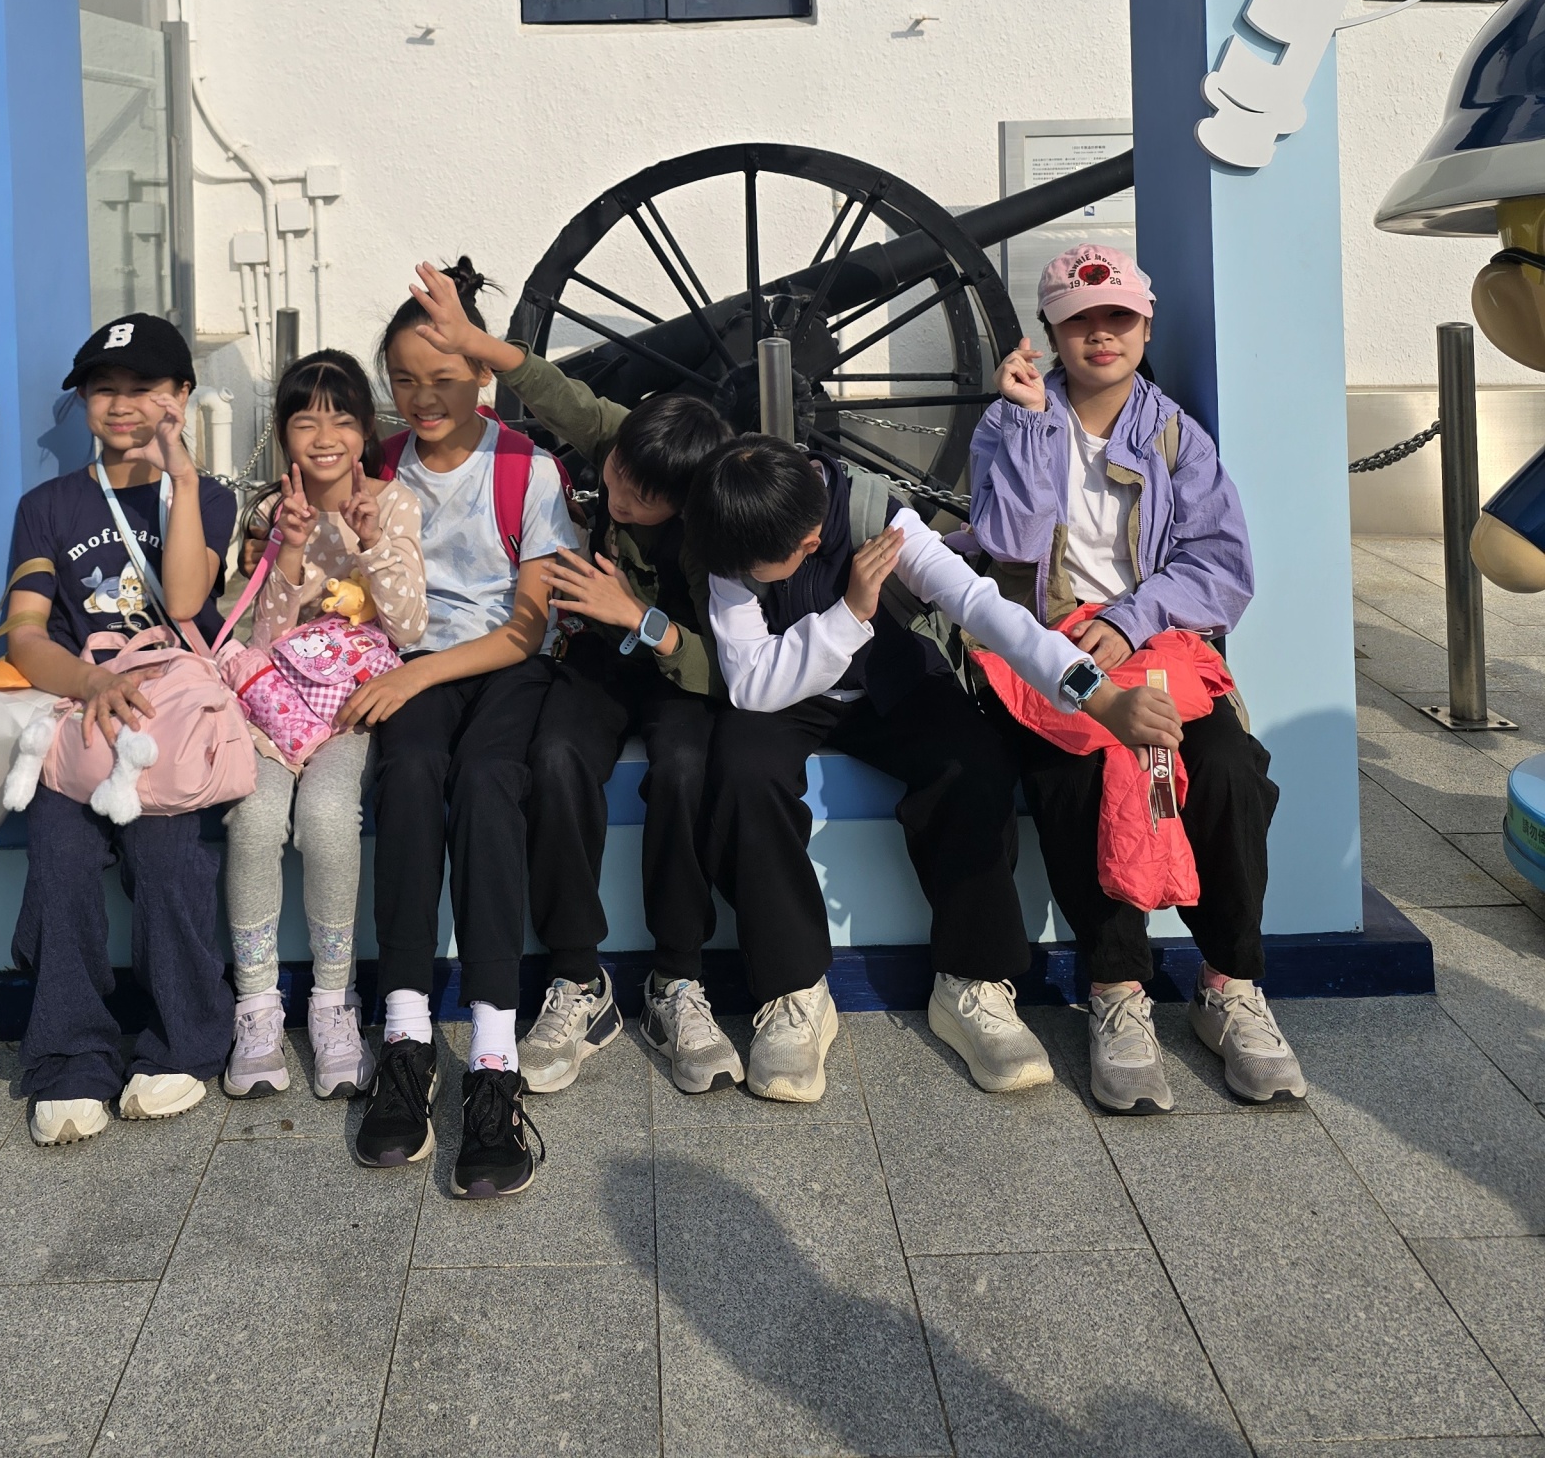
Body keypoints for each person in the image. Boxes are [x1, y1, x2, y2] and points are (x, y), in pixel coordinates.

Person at [686, 433, 1174, 1105]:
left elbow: (983, 607)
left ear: (808, 541)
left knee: (973, 763)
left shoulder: (876, 519)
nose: (739, 577)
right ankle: (792, 989)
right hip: (788, 692)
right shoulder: (735, 530)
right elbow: (751, 683)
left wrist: (1099, 695)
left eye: (753, 570)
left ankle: (973, 981)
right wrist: (849, 613)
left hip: (893, 678)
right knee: (742, 771)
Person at [967, 243, 1305, 1112]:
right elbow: (1008, 544)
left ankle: (1230, 986)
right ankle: (1117, 991)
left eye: (1118, 316)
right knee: (1081, 770)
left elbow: (1222, 566)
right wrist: (1030, 424)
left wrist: (1130, 619)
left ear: (1146, 327)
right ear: (1051, 333)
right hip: (1047, 647)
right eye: (1079, 321)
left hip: (1157, 643)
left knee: (1229, 770)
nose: (1101, 334)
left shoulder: (1175, 433)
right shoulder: (1007, 421)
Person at [403, 259, 741, 1095]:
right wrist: (471, 340)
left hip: (677, 664)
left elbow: (731, 666)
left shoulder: (719, 521)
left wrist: (645, 620)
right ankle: (577, 978)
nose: (617, 495)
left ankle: (678, 978)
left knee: (686, 766)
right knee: (553, 759)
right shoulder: (630, 444)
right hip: (596, 656)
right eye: (615, 475)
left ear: (685, 501)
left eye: (641, 499)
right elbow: (558, 394)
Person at [344, 259, 573, 1199]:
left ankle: (491, 1055)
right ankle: (404, 1037)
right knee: (406, 777)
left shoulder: (526, 469)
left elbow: (525, 628)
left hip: (502, 664)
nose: (422, 398)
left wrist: (419, 673)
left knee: (486, 784)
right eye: (403, 380)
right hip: (410, 662)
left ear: (483, 372)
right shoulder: (378, 466)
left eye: (443, 378)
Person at [3, 313, 239, 1145]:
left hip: (170, 724)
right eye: (104, 390)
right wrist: (91, 682)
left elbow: (186, 601)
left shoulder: (212, 499)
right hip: (83, 719)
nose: (123, 404)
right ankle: (70, 1059)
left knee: (168, 859)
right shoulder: (47, 507)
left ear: (182, 396)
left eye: (145, 388)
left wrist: (182, 476)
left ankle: (185, 1042)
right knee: (60, 858)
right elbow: (26, 633)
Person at [221, 349, 426, 1103]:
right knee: (253, 818)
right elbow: (262, 637)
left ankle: (333, 1003)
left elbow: (408, 624)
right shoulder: (270, 513)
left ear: (367, 430)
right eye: (305, 420)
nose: (325, 436)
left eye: (342, 418)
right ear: (283, 434)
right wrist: (291, 548)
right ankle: (256, 1007)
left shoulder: (395, 504)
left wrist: (370, 545)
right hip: (274, 713)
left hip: (349, 716)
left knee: (330, 816)